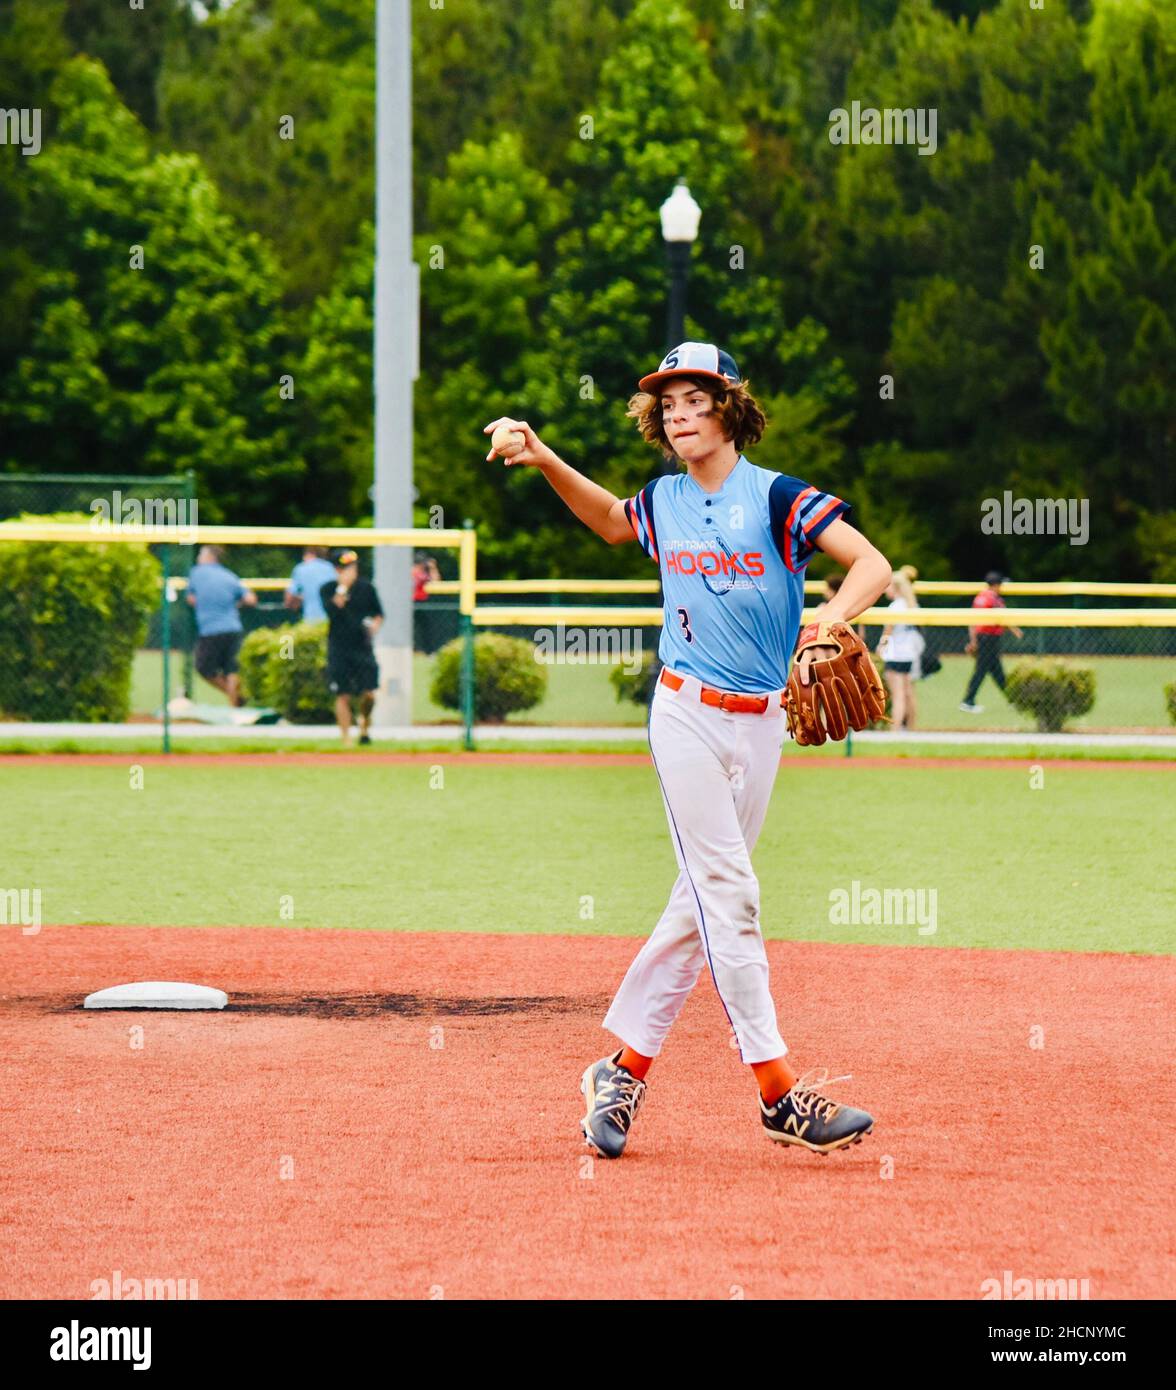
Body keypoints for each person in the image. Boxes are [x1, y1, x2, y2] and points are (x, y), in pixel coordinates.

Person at [484, 340, 891, 1159]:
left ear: (729, 408)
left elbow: (869, 564)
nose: (676, 411)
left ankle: (621, 1071)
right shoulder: (664, 501)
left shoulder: (776, 497)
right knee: (730, 894)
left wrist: (827, 620)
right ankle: (779, 1094)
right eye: (666, 401)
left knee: (696, 904)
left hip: (763, 720)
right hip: (686, 716)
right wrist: (541, 455)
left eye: (694, 397)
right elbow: (607, 521)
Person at [320, 549, 383, 746]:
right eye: (345, 568)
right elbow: (332, 610)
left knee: (369, 693)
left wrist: (374, 626)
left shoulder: (366, 588)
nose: (351, 571)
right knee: (342, 694)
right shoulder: (328, 589)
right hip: (339, 647)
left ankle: (364, 725)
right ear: (337, 570)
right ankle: (346, 737)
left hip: (362, 646)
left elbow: (379, 613)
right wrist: (342, 588)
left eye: (353, 567)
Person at [186, 546, 256, 707]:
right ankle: (235, 705)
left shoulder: (197, 573)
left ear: (209, 557)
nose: (198, 558)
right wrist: (234, 604)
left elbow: (190, 599)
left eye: (201, 555)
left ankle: (235, 698)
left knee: (203, 668)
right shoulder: (230, 576)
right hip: (233, 628)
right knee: (232, 670)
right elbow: (251, 599)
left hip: (210, 630)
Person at [960, 570, 1023, 713]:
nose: (1001, 587)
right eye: (1000, 585)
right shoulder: (993, 598)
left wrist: (973, 640)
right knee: (982, 670)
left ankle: (1013, 699)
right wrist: (1016, 630)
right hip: (989, 638)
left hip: (983, 637)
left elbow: (972, 620)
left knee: (996, 671)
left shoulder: (980, 597)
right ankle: (968, 700)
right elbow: (1002, 617)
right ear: (996, 585)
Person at [877, 564, 922, 729]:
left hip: (896, 654)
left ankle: (895, 730)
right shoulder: (912, 604)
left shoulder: (895, 606)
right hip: (909, 654)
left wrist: (882, 647)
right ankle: (911, 727)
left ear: (895, 587)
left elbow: (888, 632)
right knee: (908, 693)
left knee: (898, 695)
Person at [285, 546, 337, 624]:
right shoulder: (331, 568)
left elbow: (289, 599)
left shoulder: (300, 569)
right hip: (331, 619)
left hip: (309, 620)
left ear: (310, 553)